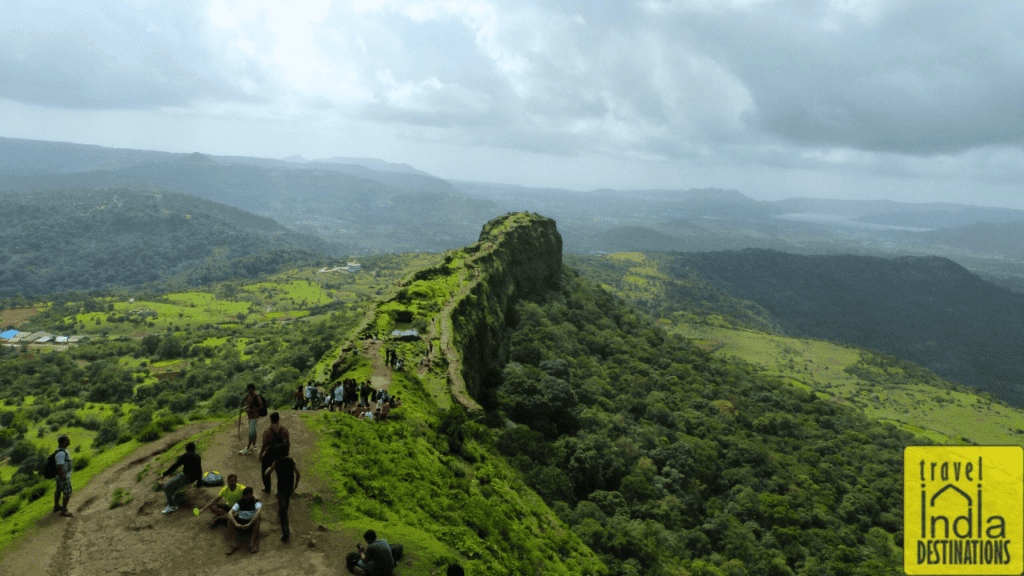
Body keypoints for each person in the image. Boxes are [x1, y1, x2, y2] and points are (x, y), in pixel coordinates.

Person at [263, 444, 300, 542]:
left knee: (284, 511)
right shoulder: (292, 461)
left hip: (281, 488)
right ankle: (281, 512)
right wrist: (295, 485)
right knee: (286, 503)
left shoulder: (276, 462)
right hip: (290, 487)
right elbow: (298, 473)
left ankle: (286, 534)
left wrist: (268, 468)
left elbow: (267, 473)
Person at [159, 441, 203, 514]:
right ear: (194, 449)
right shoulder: (197, 456)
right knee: (174, 484)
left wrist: (164, 474)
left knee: (166, 487)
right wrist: (199, 482)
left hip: (186, 477)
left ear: (186, 449)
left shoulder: (185, 456)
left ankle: (172, 506)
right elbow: (199, 470)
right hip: (193, 478)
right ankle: (172, 498)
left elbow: (175, 466)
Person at [258, 412, 290, 494]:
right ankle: (280, 490)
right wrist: (286, 452)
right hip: (281, 455)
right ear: (278, 419)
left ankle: (267, 488)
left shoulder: (268, 431)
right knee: (281, 473)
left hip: (270, 454)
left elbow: (264, 444)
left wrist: (261, 454)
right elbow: (288, 442)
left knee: (265, 471)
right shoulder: (284, 430)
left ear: (271, 420)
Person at [225, 487, 263, 555]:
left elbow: (258, 512)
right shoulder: (240, 502)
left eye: (249, 495)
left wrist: (249, 523)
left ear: (252, 494)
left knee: (257, 518)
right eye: (246, 496)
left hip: (251, 524)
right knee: (229, 519)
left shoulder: (256, 502)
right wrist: (236, 523)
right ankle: (234, 544)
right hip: (241, 523)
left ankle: (252, 543)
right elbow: (230, 513)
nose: (247, 498)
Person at [52, 434, 74, 517]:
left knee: (59, 489)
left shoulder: (61, 450)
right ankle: (64, 510)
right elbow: (60, 465)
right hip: (63, 476)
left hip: (59, 475)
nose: (68, 441)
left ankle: (57, 506)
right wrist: (63, 475)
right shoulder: (61, 453)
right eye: (67, 440)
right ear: (63, 442)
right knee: (68, 491)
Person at [239, 384, 264, 455]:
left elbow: (261, 406)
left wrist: (252, 410)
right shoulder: (248, 396)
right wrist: (243, 408)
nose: (250, 391)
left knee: (251, 432)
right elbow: (248, 405)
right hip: (249, 417)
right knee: (254, 431)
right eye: (249, 389)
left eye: (251, 389)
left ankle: (247, 448)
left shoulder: (256, 396)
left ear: (253, 389)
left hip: (254, 417)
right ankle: (254, 446)